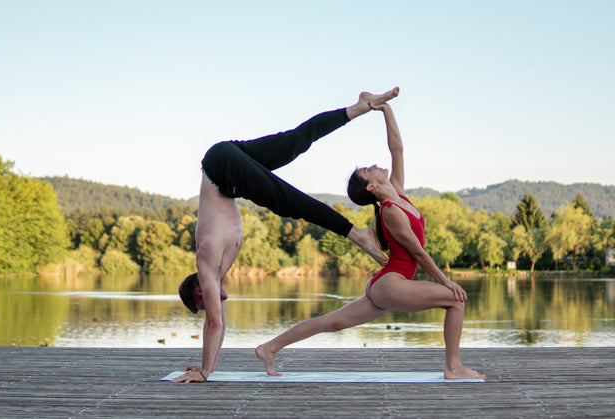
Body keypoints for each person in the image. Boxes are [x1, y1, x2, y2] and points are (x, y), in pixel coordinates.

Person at [172, 88, 400, 383]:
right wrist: (208, 368)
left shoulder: (206, 260)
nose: (218, 302)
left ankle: (357, 234)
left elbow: (214, 322)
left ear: (199, 291)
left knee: (287, 200)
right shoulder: (218, 270)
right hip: (226, 163)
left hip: (220, 167)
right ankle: (359, 107)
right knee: (295, 141)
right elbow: (219, 321)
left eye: (206, 303)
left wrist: (203, 372)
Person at [255, 98, 485, 380]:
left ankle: (270, 346)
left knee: (333, 323)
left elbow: (397, 148)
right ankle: (453, 367)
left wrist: (386, 109)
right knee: (455, 299)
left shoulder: (398, 194)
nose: (374, 165)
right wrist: (446, 281)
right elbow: (419, 255)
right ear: (372, 187)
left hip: (386, 284)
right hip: (392, 283)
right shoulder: (391, 213)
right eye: (368, 170)